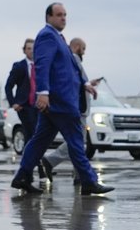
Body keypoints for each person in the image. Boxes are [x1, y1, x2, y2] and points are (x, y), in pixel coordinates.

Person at [10, 4, 112, 197]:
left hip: (58, 101)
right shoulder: (47, 36)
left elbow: (70, 68)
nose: (63, 18)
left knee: (39, 141)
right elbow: (42, 64)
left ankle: (22, 176)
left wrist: (84, 84)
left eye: (65, 15)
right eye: (59, 15)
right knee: (76, 141)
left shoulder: (59, 37)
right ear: (48, 17)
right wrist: (43, 92)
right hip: (61, 101)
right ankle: (89, 181)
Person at [42, 37, 99, 183]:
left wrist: (88, 83)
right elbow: (76, 81)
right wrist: (87, 85)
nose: (84, 52)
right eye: (83, 48)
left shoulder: (71, 60)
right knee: (77, 142)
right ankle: (52, 161)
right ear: (77, 46)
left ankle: (79, 175)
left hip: (77, 108)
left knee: (77, 142)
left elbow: (79, 81)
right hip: (78, 109)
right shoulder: (74, 58)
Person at [2, 38, 36, 146]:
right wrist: (13, 103)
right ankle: (29, 155)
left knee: (37, 134)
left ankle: (33, 155)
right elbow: (8, 86)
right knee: (30, 132)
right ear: (24, 50)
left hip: (39, 105)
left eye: (33, 48)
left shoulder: (41, 65)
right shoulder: (19, 66)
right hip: (24, 106)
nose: (31, 51)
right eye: (29, 48)